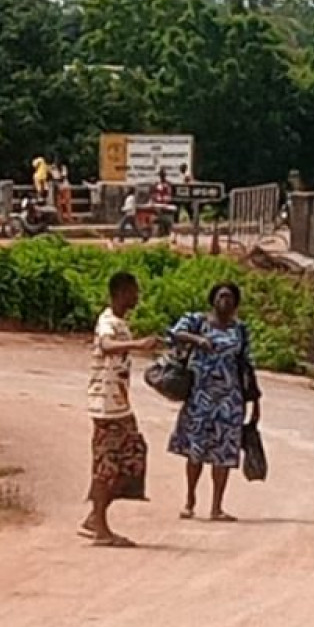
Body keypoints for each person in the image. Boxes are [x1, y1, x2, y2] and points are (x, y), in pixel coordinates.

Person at [168, 280, 261, 521]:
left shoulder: (240, 330)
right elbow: (174, 334)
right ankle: (190, 500)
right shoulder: (197, 321)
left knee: (224, 454)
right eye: (221, 296)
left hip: (230, 400)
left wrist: (254, 402)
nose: (225, 301)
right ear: (213, 299)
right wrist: (197, 340)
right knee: (195, 451)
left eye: (229, 297)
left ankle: (216, 507)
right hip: (200, 396)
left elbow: (247, 365)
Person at [82, 271, 160, 547]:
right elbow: (105, 345)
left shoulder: (120, 323)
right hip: (106, 406)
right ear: (122, 292)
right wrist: (138, 344)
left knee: (132, 457)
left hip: (119, 405)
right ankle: (100, 528)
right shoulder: (107, 322)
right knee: (108, 465)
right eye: (134, 291)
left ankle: (96, 516)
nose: (137, 296)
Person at [151, 169, 175, 237]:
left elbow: (169, 195)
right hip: (157, 205)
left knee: (167, 219)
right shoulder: (156, 184)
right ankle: (159, 231)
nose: (161, 176)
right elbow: (153, 194)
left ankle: (167, 231)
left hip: (165, 205)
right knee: (156, 218)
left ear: (165, 175)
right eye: (160, 175)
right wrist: (154, 200)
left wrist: (166, 201)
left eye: (163, 175)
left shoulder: (168, 184)